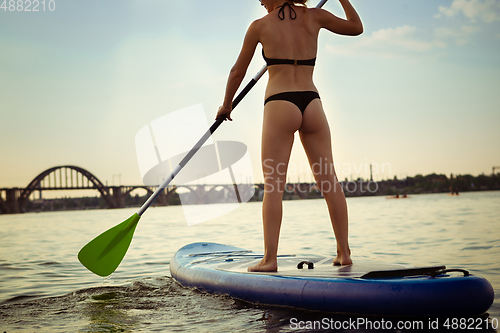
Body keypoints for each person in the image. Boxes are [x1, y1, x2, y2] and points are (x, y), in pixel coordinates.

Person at [216, 0, 363, 272]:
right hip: (312, 102)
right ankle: (344, 253)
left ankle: (270, 259)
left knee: (273, 186)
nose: (259, 0)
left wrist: (226, 104)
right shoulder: (315, 16)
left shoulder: (259, 27)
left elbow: (238, 71)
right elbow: (356, 28)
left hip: (279, 103)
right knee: (329, 181)